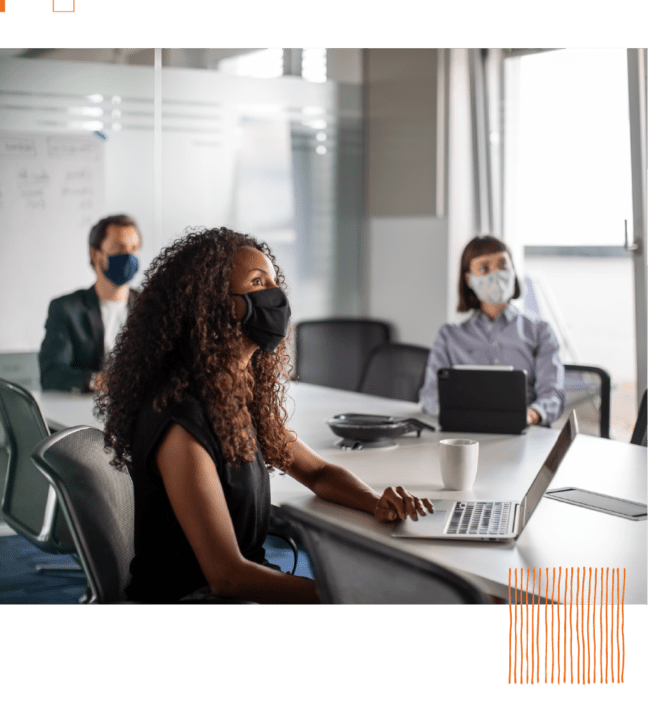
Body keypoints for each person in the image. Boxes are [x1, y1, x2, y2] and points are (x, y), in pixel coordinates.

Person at [95, 227, 434, 605]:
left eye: (274, 282)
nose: (276, 296)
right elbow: (228, 577)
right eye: (258, 282)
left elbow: (318, 473)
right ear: (214, 305)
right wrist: (346, 597)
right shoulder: (179, 420)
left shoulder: (235, 398)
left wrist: (374, 501)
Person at [419, 235, 565, 427]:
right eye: (484, 268)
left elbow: (553, 394)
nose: (496, 274)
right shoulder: (449, 335)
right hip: (464, 434)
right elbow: (430, 396)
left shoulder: (540, 331)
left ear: (513, 270)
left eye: (503, 265)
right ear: (469, 279)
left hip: (526, 432)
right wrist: (467, 416)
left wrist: (530, 414)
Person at [39, 214, 142, 393]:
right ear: (95, 254)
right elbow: (51, 373)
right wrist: (98, 381)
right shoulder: (66, 309)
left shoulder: (150, 306)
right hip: (90, 410)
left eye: (134, 248)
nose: (128, 256)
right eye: (119, 248)